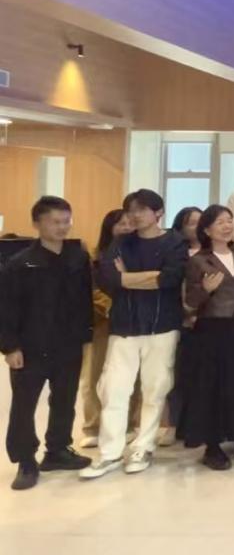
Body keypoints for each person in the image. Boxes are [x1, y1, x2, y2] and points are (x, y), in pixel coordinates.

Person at [82, 189, 188, 480]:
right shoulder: (121, 242)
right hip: (124, 325)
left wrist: (127, 277)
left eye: (142, 209)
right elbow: (109, 280)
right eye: (131, 210)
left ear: (159, 212)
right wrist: (146, 277)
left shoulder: (174, 242)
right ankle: (110, 452)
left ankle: (144, 446)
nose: (135, 215)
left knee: (155, 388)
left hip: (162, 325)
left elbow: (170, 278)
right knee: (114, 389)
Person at [1, 196, 93, 490]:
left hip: (68, 343)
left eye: (66, 221)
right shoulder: (20, 263)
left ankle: (57, 450)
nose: (62, 227)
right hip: (30, 346)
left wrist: (85, 336)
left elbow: (85, 300)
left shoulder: (77, 258)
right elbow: (7, 307)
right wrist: (10, 347)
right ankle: (25, 460)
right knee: (24, 404)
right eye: (55, 222)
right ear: (37, 223)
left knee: (65, 399)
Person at [180, 205, 234, 471]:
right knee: (214, 386)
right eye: (220, 222)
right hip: (213, 329)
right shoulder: (198, 260)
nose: (227, 226)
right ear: (207, 230)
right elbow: (189, 301)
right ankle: (213, 446)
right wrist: (205, 290)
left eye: (229, 221)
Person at [79, 210, 139, 450]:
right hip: (102, 323)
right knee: (93, 376)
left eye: (130, 223)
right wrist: (114, 307)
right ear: (109, 228)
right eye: (121, 223)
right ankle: (92, 426)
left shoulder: (140, 256)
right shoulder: (94, 259)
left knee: (132, 377)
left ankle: (129, 425)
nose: (127, 227)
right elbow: (91, 290)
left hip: (133, 323)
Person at [164, 207, 203, 448]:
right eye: (191, 223)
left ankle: (198, 425)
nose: (197, 227)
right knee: (177, 376)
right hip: (179, 321)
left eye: (201, 221)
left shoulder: (213, 252)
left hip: (207, 321)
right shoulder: (175, 254)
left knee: (202, 377)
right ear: (180, 227)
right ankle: (172, 424)